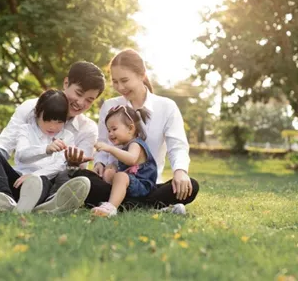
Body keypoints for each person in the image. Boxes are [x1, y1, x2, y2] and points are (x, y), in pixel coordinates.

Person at [0, 61, 106, 213]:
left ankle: (42, 201)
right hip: (18, 180)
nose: (81, 103)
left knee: (71, 178)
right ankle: (8, 199)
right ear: (66, 83)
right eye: (79, 93)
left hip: (50, 182)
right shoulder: (31, 109)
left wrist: (71, 164)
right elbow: (4, 146)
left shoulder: (87, 129)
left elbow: (77, 172)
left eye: (89, 100)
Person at [70, 49, 200, 213]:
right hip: (113, 181)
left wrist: (180, 172)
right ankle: (148, 207)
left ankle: (116, 204)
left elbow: (178, 146)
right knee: (81, 177)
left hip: (148, 185)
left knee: (191, 186)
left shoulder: (166, 107)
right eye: (115, 82)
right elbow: (103, 141)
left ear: (142, 75)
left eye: (124, 80)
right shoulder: (110, 106)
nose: (120, 87)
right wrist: (100, 163)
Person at [0, 89, 73, 213]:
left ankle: (31, 203)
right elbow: (21, 155)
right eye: (47, 120)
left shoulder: (67, 136)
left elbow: (59, 166)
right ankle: (6, 198)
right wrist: (45, 150)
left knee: (43, 182)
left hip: (42, 183)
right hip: (17, 181)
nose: (53, 126)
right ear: (37, 113)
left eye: (59, 122)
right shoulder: (26, 130)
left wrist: (34, 176)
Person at [91, 105, 157, 217]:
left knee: (121, 176)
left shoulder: (136, 144)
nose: (110, 134)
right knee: (113, 173)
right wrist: (111, 170)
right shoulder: (125, 147)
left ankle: (111, 207)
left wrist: (110, 149)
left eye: (114, 129)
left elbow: (131, 159)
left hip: (143, 186)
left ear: (131, 128)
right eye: (108, 130)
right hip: (133, 186)